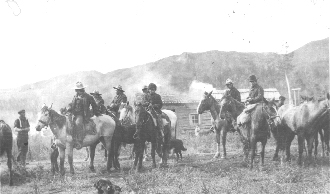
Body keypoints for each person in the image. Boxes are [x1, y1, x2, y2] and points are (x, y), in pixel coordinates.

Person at [71, 82, 100, 150]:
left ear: (81, 89)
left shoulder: (88, 97)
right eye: (76, 89)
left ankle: (79, 140)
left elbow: (94, 105)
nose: (76, 91)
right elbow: (72, 104)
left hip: (83, 115)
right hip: (75, 113)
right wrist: (68, 109)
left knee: (78, 123)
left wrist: (96, 113)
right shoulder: (75, 96)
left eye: (78, 89)